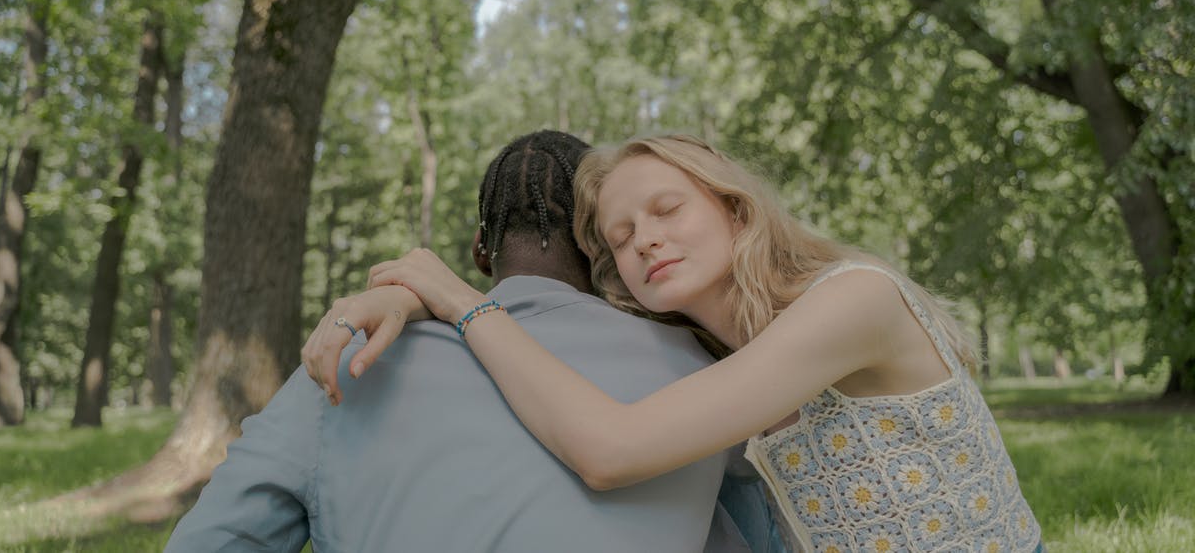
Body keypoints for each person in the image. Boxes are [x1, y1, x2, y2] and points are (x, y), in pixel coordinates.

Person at [313, 134, 1043, 552]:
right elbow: (545, 340)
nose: (647, 238)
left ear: (734, 208)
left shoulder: (856, 298)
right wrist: (398, 294)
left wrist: (456, 299)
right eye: (621, 236)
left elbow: (611, 450)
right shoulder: (699, 350)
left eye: (667, 209)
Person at [166, 131, 761, 553]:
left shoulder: (346, 359)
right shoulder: (705, 368)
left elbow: (216, 539)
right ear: (605, 251)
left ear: (480, 251)